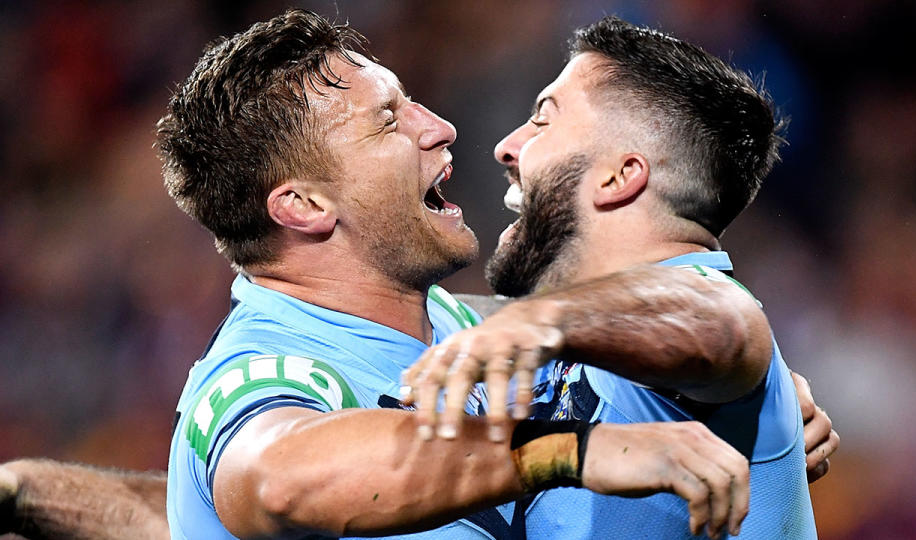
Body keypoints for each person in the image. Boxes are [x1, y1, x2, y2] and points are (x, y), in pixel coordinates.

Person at [0, 10, 837, 540]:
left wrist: (748, 395)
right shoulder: (264, 374)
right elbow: (283, 482)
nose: (450, 131)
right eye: (390, 120)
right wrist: (568, 451)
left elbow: (707, 318)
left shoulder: (472, 334)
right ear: (303, 204)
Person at [404, 16, 826, 539]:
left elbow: (723, 320)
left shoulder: (706, 317)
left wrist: (538, 323)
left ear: (620, 176)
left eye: (541, 120)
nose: (507, 147)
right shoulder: (570, 357)